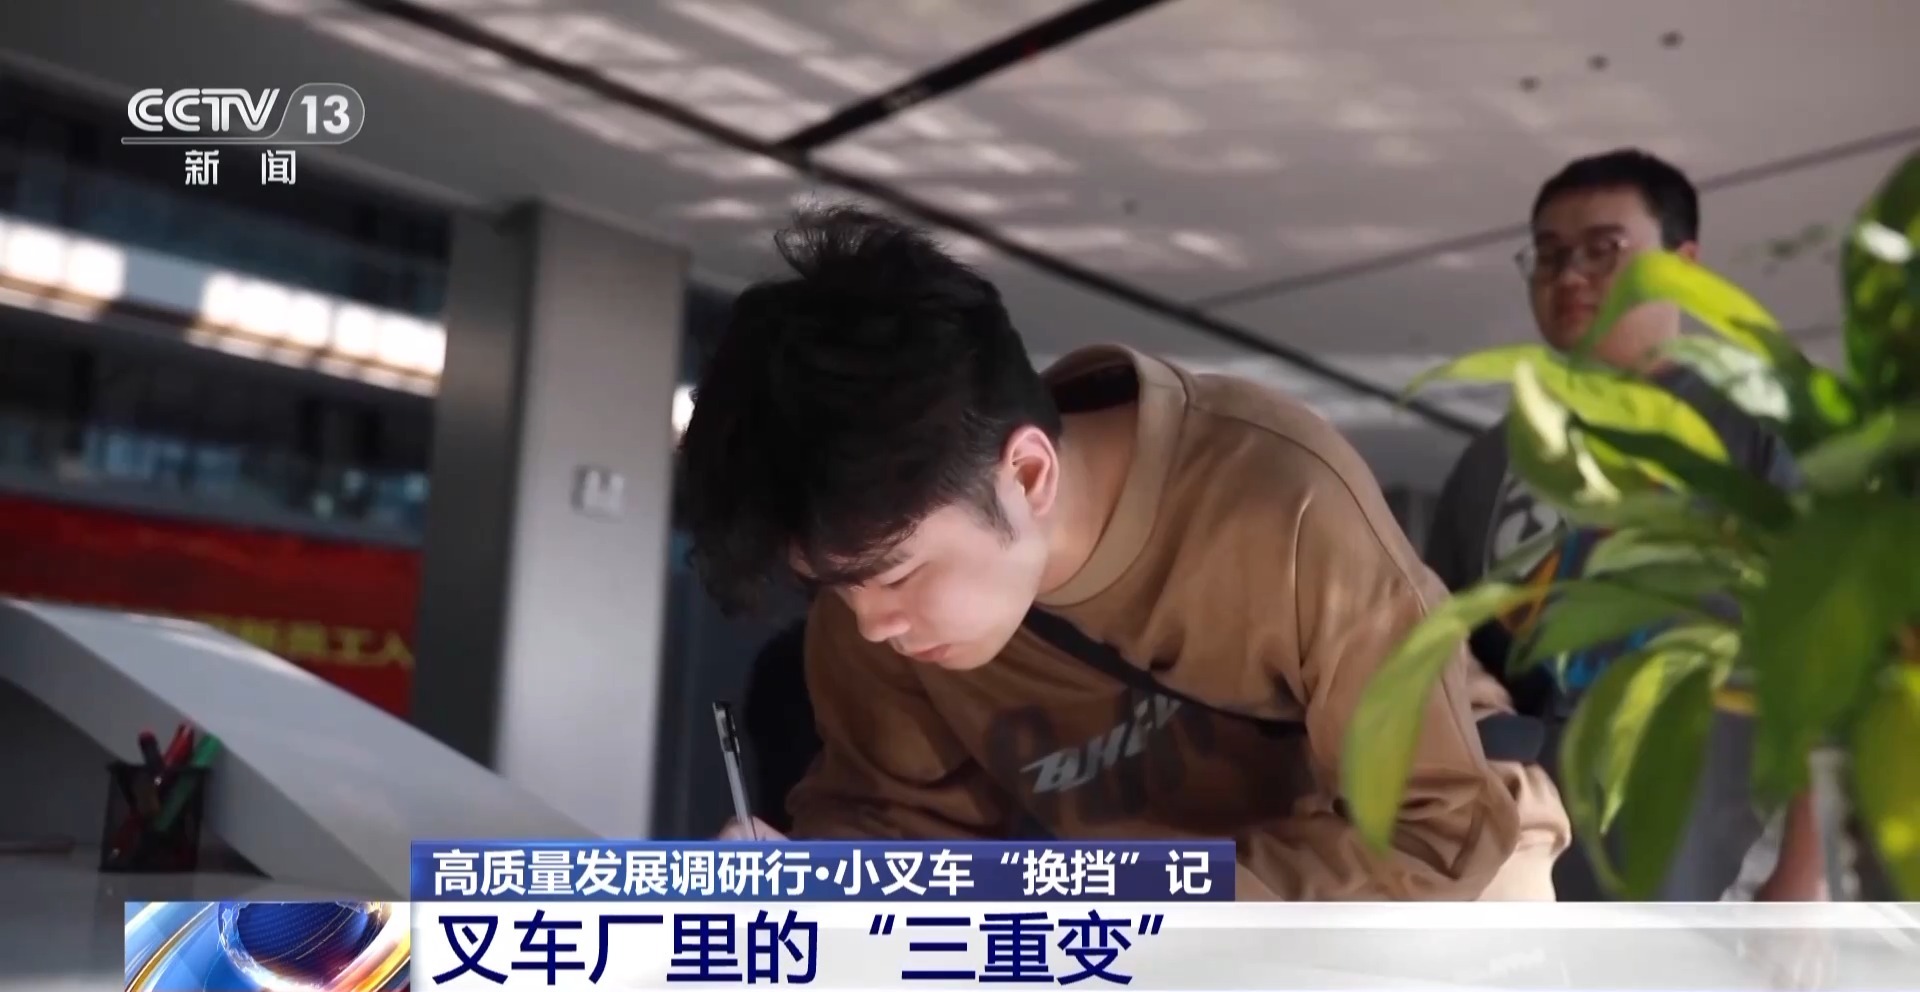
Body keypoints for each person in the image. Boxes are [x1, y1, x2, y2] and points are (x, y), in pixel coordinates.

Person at [679, 204, 1569, 900]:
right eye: (836, 589)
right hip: (1173, 916)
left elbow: (1432, 830)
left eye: (899, 576)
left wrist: (1146, 898)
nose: (874, 625)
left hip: (1441, 865)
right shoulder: (872, 599)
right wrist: (808, 880)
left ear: (1027, 474)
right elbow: (897, 827)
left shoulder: (1276, 496)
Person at [1422, 148, 1826, 901]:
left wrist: (1807, 873)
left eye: (1603, 250)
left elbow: (1833, 652)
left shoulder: (1761, 430)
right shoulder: (1491, 462)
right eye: (1549, 254)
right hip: (1513, 875)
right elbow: (1441, 653)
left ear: (1683, 267)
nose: (1570, 275)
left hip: (1701, 877)